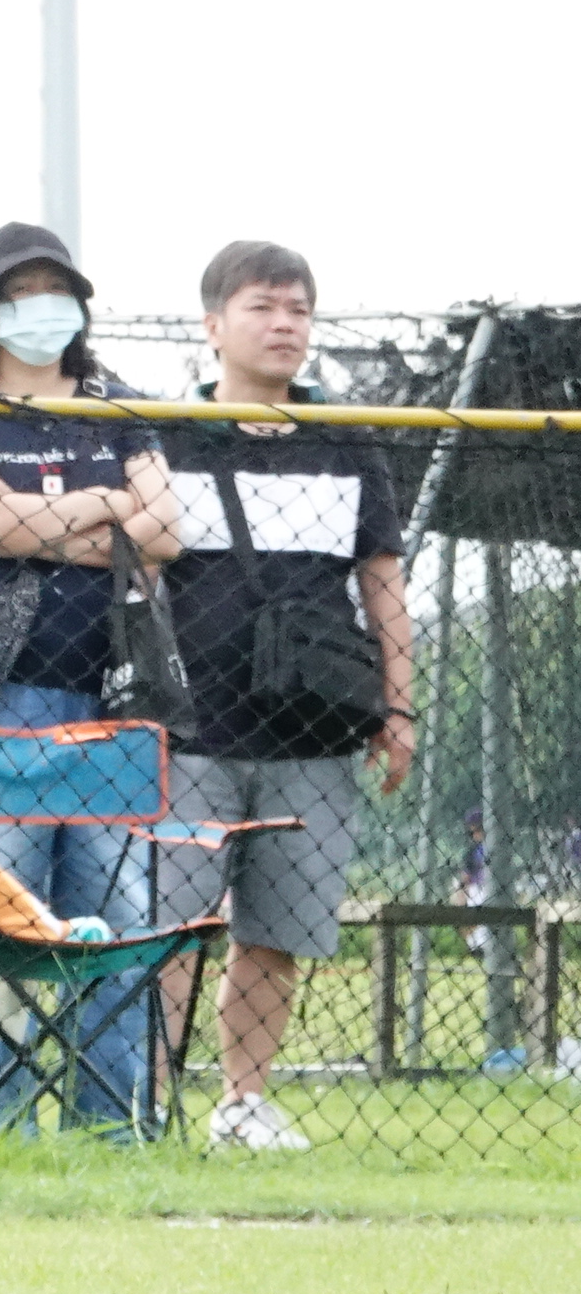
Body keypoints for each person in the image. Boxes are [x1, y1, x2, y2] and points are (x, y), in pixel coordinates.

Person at [0, 221, 181, 1138]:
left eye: (56, 289)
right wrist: (105, 507)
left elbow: (167, 532)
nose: (42, 308)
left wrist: (41, 522)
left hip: (109, 698)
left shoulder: (119, 407)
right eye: (20, 292)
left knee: (115, 924)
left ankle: (109, 1130)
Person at [148, 241, 416, 1149]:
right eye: (263, 307)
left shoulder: (349, 440)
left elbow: (383, 585)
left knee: (279, 932)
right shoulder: (164, 434)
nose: (284, 325)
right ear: (213, 324)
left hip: (314, 729)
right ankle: (145, 1100)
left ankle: (243, 1102)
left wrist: (399, 708)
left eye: (299, 309)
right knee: (169, 931)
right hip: (187, 731)